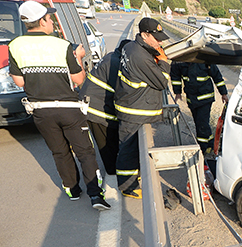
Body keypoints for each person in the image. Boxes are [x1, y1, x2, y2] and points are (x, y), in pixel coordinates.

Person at [8, 1, 110, 210]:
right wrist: (79, 58)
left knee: (59, 152)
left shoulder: (15, 45)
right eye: (50, 18)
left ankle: (72, 190)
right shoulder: (62, 45)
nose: (53, 21)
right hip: (69, 109)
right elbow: (79, 79)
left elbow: (19, 82)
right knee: (84, 151)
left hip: (40, 111)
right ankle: (95, 195)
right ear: (42, 21)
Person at [114, 17, 170, 199]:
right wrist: (163, 61)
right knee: (128, 150)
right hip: (135, 111)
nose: (160, 42)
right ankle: (127, 187)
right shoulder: (140, 57)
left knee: (129, 148)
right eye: (157, 38)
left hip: (129, 106)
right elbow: (162, 81)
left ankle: (130, 179)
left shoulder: (131, 47)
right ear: (145, 35)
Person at [79, 39, 131, 176]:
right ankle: (113, 173)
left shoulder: (112, 57)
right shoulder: (115, 63)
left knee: (111, 141)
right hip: (96, 110)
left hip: (95, 104)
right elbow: (121, 92)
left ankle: (114, 169)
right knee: (107, 145)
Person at [170, 62, 229, 154]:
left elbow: (217, 76)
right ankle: (211, 144)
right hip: (192, 100)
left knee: (201, 124)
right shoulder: (179, 61)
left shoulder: (204, 59)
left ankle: (202, 150)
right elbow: (175, 76)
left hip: (205, 98)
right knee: (200, 123)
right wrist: (177, 93)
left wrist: (223, 93)